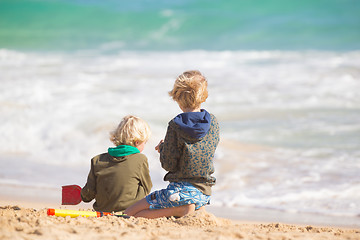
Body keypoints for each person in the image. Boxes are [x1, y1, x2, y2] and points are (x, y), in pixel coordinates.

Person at [125, 70, 220, 218]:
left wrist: (163, 148)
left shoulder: (176, 125)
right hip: (204, 194)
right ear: (203, 95)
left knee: (131, 213)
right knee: (179, 201)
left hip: (179, 192)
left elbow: (168, 164)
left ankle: (180, 210)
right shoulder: (213, 122)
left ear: (177, 96)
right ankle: (191, 208)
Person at [81, 115, 153, 212]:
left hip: (102, 211)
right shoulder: (141, 159)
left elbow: (87, 196)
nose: (144, 145)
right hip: (129, 211)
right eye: (145, 142)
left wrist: (82, 194)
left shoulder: (97, 160)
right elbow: (147, 188)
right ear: (137, 142)